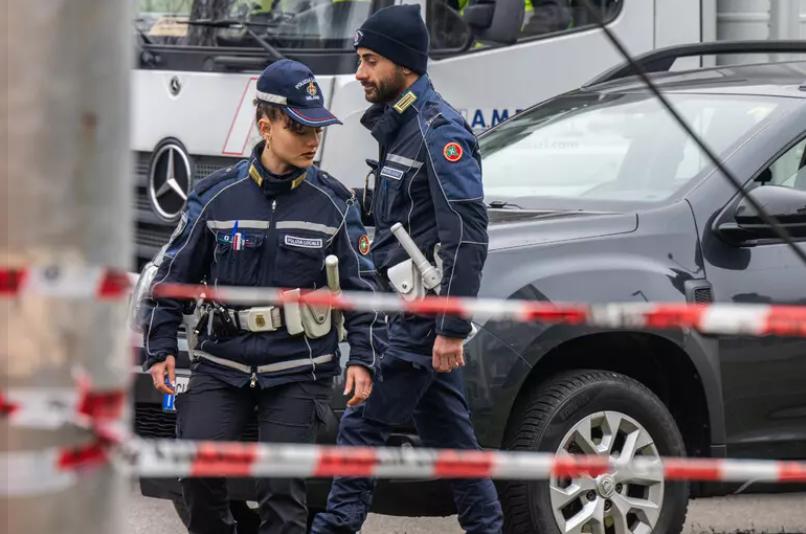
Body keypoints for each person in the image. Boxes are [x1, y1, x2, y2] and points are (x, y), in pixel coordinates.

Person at [143, 58, 385, 534]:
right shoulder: (216, 196)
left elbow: (364, 288)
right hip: (222, 362)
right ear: (265, 125)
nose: (313, 140)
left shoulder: (335, 204)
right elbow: (172, 276)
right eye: (299, 128)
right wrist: (160, 348)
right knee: (196, 471)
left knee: (281, 494)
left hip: (298, 367)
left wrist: (363, 358)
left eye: (318, 129)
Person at [311, 5, 503, 534]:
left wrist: (451, 326)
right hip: (405, 313)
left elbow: (466, 235)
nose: (359, 73)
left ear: (406, 64)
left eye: (370, 60)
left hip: (420, 317)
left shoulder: (438, 132)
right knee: (453, 440)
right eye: (359, 59)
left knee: (361, 427)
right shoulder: (401, 128)